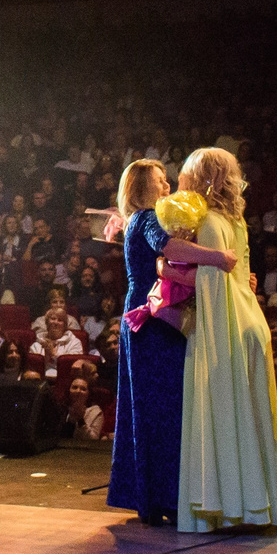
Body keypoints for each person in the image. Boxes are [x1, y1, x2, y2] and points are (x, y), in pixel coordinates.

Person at [172, 146, 277, 531]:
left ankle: (226, 506)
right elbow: (244, 277)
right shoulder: (236, 221)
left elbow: (210, 288)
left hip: (225, 327)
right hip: (250, 323)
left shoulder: (207, 221)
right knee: (250, 419)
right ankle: (257, 501)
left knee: (223, 413)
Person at [108, 158, 188, 528]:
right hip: (151, 321)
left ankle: (149, 495)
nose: (167, 186)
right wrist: (216, 260)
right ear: (140, 188)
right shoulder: (148, 218)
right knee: (160, 409)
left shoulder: (136, 220)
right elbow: (168, 249)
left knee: (147, 408)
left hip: (144, 317)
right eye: (160, 182)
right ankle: (161, 496)